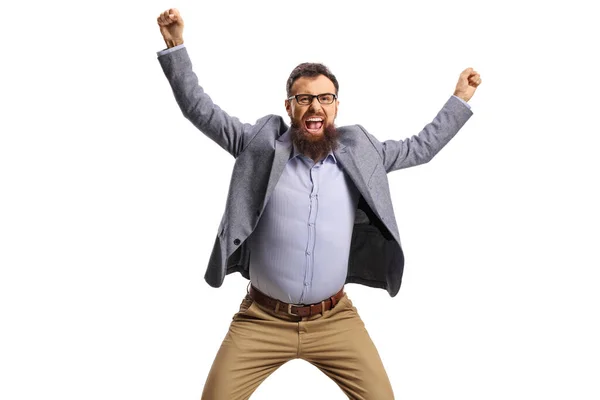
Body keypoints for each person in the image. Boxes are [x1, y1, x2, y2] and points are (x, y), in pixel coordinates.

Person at [156, 7, 481, 400]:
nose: (316, 106)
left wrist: (460, 98)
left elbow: (421, 147)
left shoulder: (361, 152)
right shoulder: (258, 146)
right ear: (289, 106)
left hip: (335, 319)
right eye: (305, 98)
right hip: (261, 320)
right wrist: (175, 45)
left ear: (336, 106)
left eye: (325, 98)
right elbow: (200, 110)